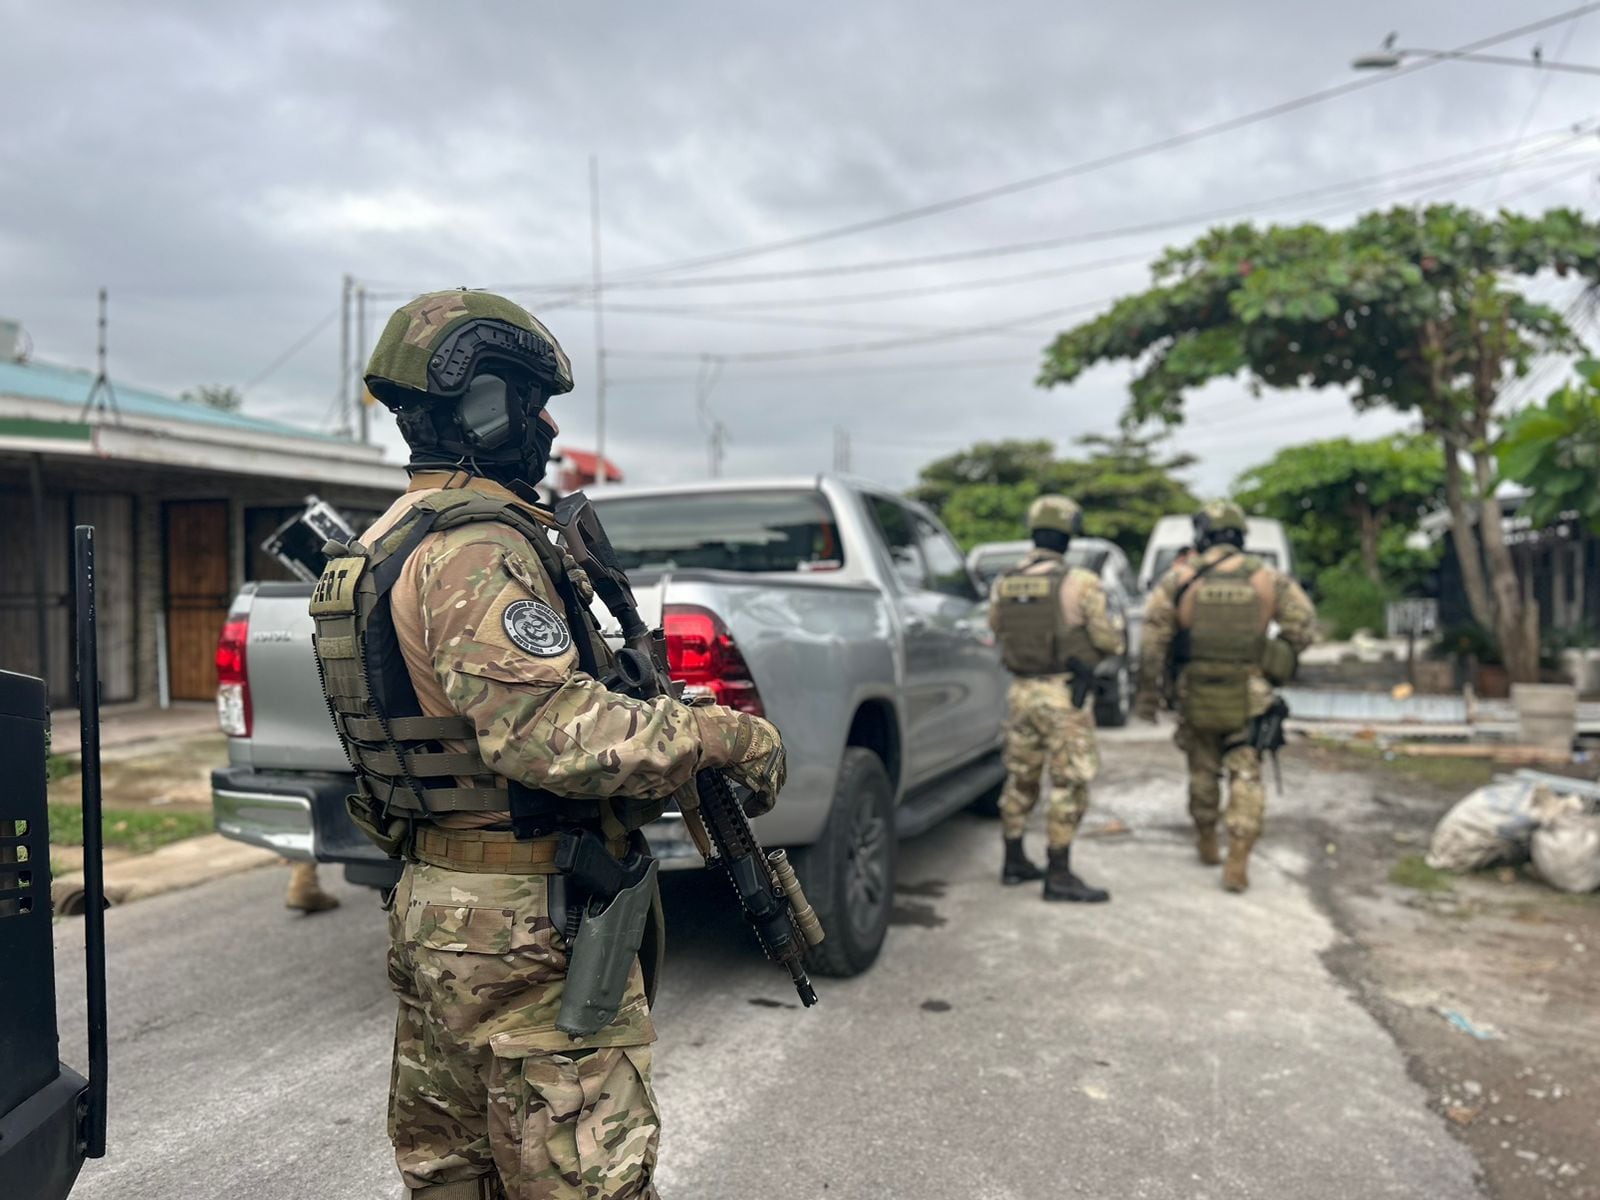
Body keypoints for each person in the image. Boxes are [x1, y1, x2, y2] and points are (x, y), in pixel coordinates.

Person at [311, 290, 785, 1200]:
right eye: (533, 401)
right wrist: (722, 735)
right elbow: (548, 735)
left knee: (456, 1174)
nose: (550, 424)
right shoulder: (477, 545)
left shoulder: (384, 540)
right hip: (525, 919)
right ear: (483, 403)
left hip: (442, 905)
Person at [1135, 501, 1315, 893]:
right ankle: (1239, 855)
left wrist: (1151, 690)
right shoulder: (1268, 579)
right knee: (1245, 771)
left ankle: (1206, 838)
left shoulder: (1180, 578)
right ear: (1241, 536)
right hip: (1249, 690)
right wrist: (1274, 657)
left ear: (1201, 535)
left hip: (1196, 688)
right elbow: (1302, 627)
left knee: (1202, 769)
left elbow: (1152, 640)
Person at [987, 495, 1125, 902]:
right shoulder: (1080, 582)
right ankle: (1059, 873)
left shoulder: (1005, 580)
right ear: (1068, 536)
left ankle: (1013, 860)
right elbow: (1108, 639)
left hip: (1020, 693)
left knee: (1021, 777)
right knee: (1069, 782)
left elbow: (995, 627)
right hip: (1063, 695)